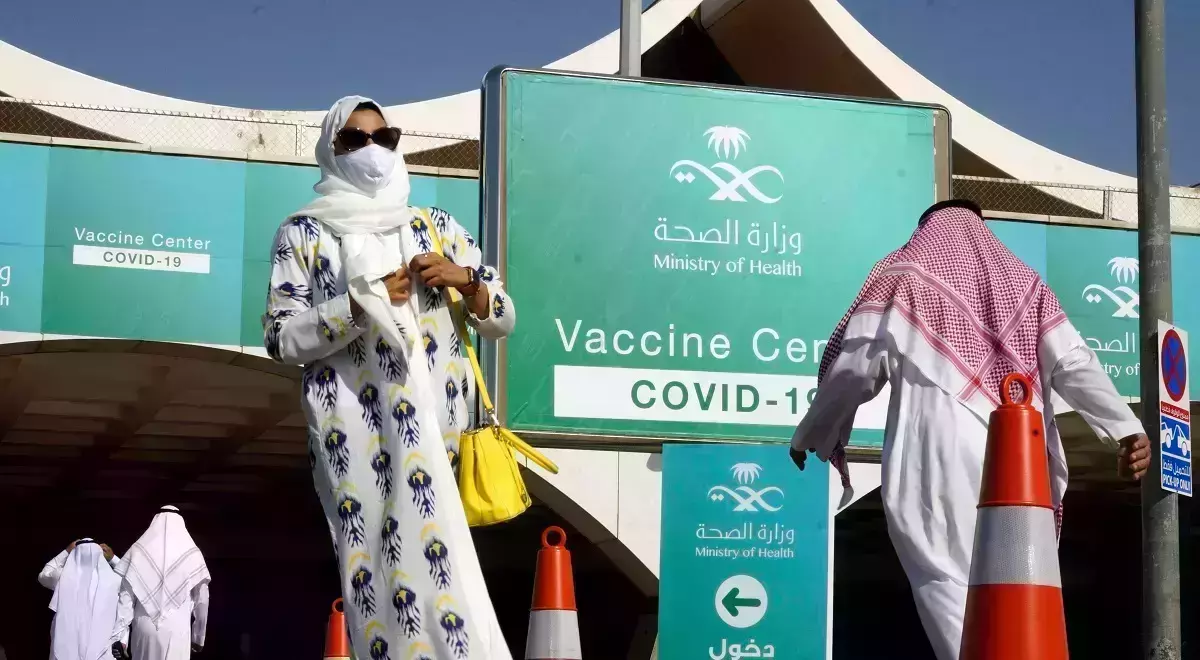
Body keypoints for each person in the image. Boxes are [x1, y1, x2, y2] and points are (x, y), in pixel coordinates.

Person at [790, 200, 1151, 660]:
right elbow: (1073, 363)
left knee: (946, 578)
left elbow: (854, 369)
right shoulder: (1025, 282)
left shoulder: (904, 273)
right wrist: (1125, 427)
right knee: (1020, 596)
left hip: (938, 448)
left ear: (927, 229)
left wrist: (812, 432)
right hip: (1021, 461)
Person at [263, 96, 515, 660]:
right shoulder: (303, 233)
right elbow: (281, 337)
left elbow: (502, 318)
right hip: (355, 433)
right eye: (355, 139)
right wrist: (359, 306)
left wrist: (465, 278)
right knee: (376, 574)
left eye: (385, 137)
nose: (372, 150)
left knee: (446, 566)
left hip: (438, 426)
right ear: (331, 148)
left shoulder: (435, 226)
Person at [111, 506, 210, 660]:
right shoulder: (192, 555)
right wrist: (198, 637)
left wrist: (120, 638)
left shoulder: (138, 551)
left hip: (145, 628)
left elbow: (126, 597)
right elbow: (202, 601)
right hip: (178, 630)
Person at [40, 540, 124, 660]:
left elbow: (44, 575)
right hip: (101, 653)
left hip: (66, 651)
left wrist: (66, 552)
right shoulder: (113, 580)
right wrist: (113, 558)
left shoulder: (62, 577)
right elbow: (131, 579)